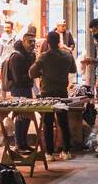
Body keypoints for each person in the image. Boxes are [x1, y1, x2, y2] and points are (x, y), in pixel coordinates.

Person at [29, 30, 75, 160]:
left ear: (48, 42)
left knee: (47, 123)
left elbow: (31, 72)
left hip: (47, 93)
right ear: (59, 42)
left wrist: (42, 73)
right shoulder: (67, 55)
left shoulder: (43, 56)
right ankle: (66, 151)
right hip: (62, 93)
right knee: (63, 122)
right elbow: (73, 70)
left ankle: (49, 153)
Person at [2, 29, 37, 152]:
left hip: (27, 88)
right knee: (20, 116)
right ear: (23, 41)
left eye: (34, 42)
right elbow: (17, 79)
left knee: (27, 117)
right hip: (18, 90)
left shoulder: (32, 55)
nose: (32, 44)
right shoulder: (16, 56)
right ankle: (18, 144)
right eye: (29, 42)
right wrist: (31, 75)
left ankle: (23, 143)